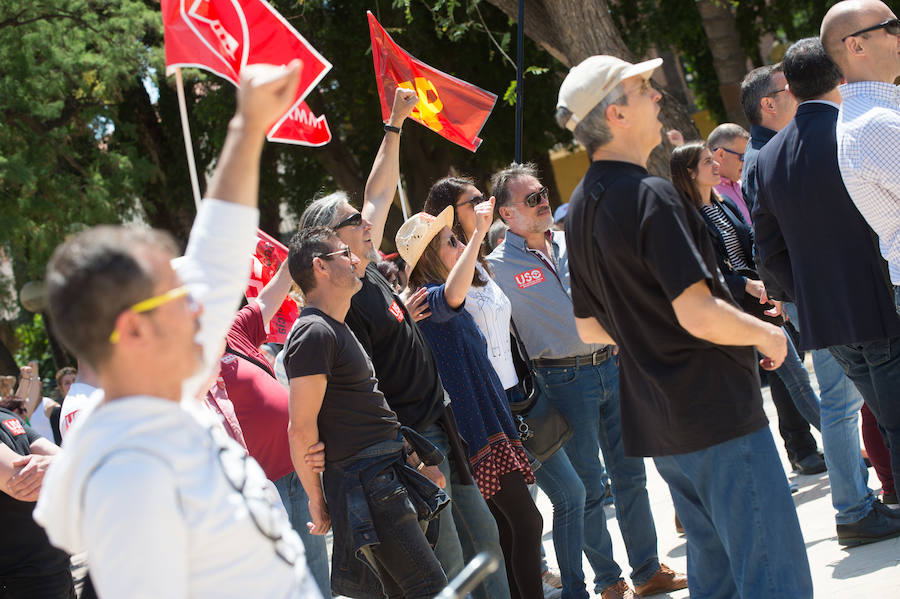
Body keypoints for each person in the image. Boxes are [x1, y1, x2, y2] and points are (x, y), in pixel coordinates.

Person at [32, 62, 322, 598]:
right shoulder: (129, 477)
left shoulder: (163, 397)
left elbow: (215, 259)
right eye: (180, 299)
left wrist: (247, 125)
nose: (201, 309)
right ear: (135, 331)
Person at [555, 54, 812, 598]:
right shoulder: (649, 193)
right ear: (616, 114)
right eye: (643, 88)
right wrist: (767, 334)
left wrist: (648, 335)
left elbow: (589, 327)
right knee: (771, 572)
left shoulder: (578, 208)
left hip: (660, 421)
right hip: (715, 413)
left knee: (717, 579)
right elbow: (696, 312)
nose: (655, 96)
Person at [298, 88, 509, 599]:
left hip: (440, 421)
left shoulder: (365, 272)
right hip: (412, 437)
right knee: (453, 559)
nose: (369, 221)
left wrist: (394, 122)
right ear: (330, 241)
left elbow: (378, 190)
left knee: (486, 542)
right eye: (354, 220)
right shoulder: (339, 298)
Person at [485, 164, 686, 599]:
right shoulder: (494, 268)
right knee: (591, 487)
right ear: (505, 214)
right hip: (560, 380)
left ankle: (648, 570)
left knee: (632, 475)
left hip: (611, 366)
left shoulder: (573, 240)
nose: (542, 202)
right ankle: (609, 582)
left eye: (542, 194)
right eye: (530, 199)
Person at [753, 35, 900, 545]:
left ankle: (869, 508)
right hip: (881, 303)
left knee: (880, 417)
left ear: (789, 88)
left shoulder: (769, 157)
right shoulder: (855, 132)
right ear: (841, 75)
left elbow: (767, 250)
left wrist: (807, 296)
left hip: (826, 319)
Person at [284, 226, 448, 599]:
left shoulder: (334, 327)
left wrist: (411, 458)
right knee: (430, 589)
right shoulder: (313, 332)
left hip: (381, 476)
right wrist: (317, 500)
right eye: (345, 253)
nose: (356, 258)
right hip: (369, 482)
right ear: (320, 268)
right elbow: (300, 429)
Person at [396, 203, 543, 599]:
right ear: (428, 256)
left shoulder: (432, 296)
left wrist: (469, 241)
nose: (460, 245)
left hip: (489, 422)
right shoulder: (429, 298)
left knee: (514, 529)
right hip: (479, 431)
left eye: (459, 239)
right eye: (450, 242)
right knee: (527, 525)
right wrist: (479, 234)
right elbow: (454, 294)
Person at [669, 142, 822, 434]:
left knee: (796, 378)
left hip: (758, 302)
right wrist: (746, 285)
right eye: (706, 162)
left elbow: (751, 242)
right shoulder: (684, 218)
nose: (716, 165)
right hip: (725, 313)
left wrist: (769, 284)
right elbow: (698, 274)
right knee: (749, 395)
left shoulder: (722, 204)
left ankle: (841, 449)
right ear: (689, 174)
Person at [822, 0, 900, 501]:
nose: (899, 35)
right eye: (891, 27)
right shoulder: (874, 123)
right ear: (856, 46)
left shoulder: (874, 115)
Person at [218, 260, 331, 596]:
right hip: (263, 485)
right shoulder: (182, 361)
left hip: (297, 464)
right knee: (286, 580)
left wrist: (296, 255)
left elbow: (270, 297)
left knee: (315, 571)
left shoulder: (233, 329)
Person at [740, 62, 826, 476]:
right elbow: (769, 241)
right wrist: (793, 296)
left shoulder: (771, 149)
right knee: (833, 400)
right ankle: (852, 503)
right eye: (788, 89)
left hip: (800, 291)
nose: (798, 93)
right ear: (769, 104)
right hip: (803, 293)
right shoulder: (761, 158)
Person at [1, 406, 73, 597]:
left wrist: (58, 466)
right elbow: (24, 485)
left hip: (56, 569)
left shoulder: (6, 416)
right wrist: (65, 467)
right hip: (19, 580)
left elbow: (69, 462)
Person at [706, 123, 752, 225]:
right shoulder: (708, 196)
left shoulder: (744, 184)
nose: (745, 162)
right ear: (721, 154)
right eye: (742, 157)